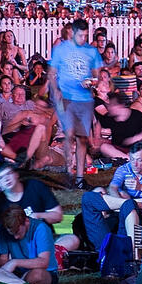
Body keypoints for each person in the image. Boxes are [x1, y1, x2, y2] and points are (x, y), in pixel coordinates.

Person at [49, 18, 104, 189]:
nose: (83, 39)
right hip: (67, 97)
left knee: (82, 138)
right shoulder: (61, 49)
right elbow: (52, 72)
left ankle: (79, 178)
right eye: (80, 35)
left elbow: (97, 76)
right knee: (69, 134)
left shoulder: (91, 51)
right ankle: (68, 171)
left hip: (85, 99)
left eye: (86, 35)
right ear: (73, 33)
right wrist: (55, 90)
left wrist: (92, 82)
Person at [80, 143, 142, 252]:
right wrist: (123, 202)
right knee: (90, 196)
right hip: (126, 210)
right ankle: (130, 204)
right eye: (132, 159)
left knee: (127, 203)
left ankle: (131, 252)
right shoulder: (124, 169)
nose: (135, 164)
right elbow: (113, 187)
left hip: (136, 214)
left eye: (139, 160)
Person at [0, 204, 57, 284]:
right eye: (12, 233)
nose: (15, 237)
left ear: (26, 221)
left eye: (17, 232)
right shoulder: (4, 230)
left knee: (37, 276)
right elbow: (3, 258)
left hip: (46, 272)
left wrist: (14, 262)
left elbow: (43, 262)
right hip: (19, 273)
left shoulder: (40, 228)